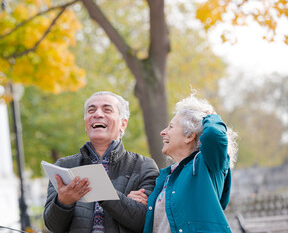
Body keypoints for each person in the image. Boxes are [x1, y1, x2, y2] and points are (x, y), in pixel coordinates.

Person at [43, 91, 159, 233]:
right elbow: (53, 226)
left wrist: (103, 191)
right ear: (86, 125)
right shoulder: (63, 166)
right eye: (91, 110)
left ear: (123, 124)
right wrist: (63, 203)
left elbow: (145, 222)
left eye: (107, 109)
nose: (97, 114)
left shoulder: (144, 166)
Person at [142, 95, 238, 233]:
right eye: (97, 109)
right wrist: (132, 202)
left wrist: (211, 117)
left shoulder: (206, 165)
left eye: (170, 127)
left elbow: (214, 135)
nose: (162, 132)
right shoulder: (164, 178)